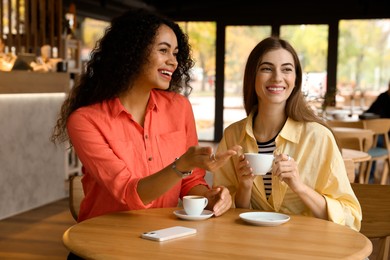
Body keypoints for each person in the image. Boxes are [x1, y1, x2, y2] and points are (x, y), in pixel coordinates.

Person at [51, 7, 241, 224]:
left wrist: (208, 196)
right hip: (103, 240)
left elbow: (189, 182)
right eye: (163, 50)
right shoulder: (85, 121)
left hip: (161, 236)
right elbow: (128, 192)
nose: (174, 61)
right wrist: (180, 165)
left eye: (176, 53)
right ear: (133, 51)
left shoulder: (179, 108)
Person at [213, 36, 361, 231]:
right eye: (266, 68)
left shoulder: (318, 137)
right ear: (252, 76)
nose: (277, 77)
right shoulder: (233, 136)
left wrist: (299, 187)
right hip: (252, 246)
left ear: (295, 79)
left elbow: (351, 218)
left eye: (286, 69)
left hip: (309, 247)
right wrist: (245, 188)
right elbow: (223, 214)